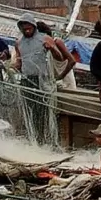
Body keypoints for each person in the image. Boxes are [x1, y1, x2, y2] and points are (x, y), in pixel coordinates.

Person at [12, 13, 69, 145]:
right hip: (27, 80)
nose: (27, 31)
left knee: (43, 112)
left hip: (42, 81)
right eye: (24, 29)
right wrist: (10, 67)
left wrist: (52, 49)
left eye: (29, 28)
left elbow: (60, 57)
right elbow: (19, 63)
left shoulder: (45, 38)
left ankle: (46, 140)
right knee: (30, 112)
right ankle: (34, 139)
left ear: (33, 27)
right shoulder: (19, 42)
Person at [36, 21, 79, 92]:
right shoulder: (44, 48)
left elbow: (72, 61)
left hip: (66, 82)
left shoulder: (57, 42)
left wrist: (60, 77)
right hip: (55, 84)